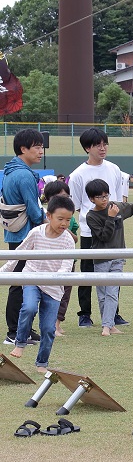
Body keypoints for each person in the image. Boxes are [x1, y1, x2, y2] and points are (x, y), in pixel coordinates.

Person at [0, 196, 75, 372]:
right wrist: (4, 272)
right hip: (32, 279)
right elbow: (19, 253)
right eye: (60, 219)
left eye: (68, 219)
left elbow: (66, 266)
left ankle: (42, 363)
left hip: (54, 287)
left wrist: (56, 278)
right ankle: (20, 342)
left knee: (48, 329)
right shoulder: (37, 232)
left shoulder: (67, 240)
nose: (64, 223)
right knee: (29, 308)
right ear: (49, 215)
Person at [85, 179, 133, 336]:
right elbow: (104, 236)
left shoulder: (116, 207)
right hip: (101, 259)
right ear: (92, 199)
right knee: (102, 294)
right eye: (100, 197)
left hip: (118, 257)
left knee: (112, 292)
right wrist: (111, 218)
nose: (105, 199)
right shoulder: (91, 216)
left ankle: (107, 326)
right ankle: (109, 324)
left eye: (106, 195)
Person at [69, 127, 125, 328]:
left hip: (113, 230)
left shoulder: (114, 169)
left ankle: (114, 314)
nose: (103, 148)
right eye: (97, 145)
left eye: (105, 144)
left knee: (115, 271)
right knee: (87, 274)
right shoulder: (77, 175)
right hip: (89, 232)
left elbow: (117, 199)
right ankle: (84, 314)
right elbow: (75, 205)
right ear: (87, 148)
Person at [1, 128, 46, 346]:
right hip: (26, 235)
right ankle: (14, 332)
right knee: (21, 282)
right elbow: (35, 212)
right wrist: (48, 220)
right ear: (23, 149)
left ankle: (23, 329)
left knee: (19, 281)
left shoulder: (9, 171)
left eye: (41, 146)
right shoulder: (25, 175)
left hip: (13, 232)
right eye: (37, 147)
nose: (41, 151)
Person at [42, 180, 79, 336]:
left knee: (64, 294)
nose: (65, 199)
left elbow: (75, 238)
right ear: (49, 198)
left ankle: (57, 324)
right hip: (47, 263)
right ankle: (47, 324)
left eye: (67, 196)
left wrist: (63, 228)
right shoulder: (45, 215)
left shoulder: (70, 217)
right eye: (60, 196)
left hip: (67, 261)